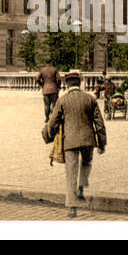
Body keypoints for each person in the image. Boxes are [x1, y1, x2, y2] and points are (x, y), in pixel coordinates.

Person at [42, 70, 107, 218]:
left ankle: (72, 207)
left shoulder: (63, 100)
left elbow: (53, 122)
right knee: (86, 163)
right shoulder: (89, 99)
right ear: (80, 84)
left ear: (67, 84)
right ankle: (82, 188)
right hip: (88, 140)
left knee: (71, 172)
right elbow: (99, 122)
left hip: (69, 141)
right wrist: (102, 142)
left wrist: (47, 136)